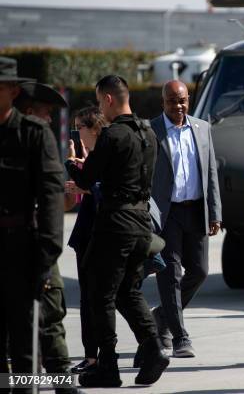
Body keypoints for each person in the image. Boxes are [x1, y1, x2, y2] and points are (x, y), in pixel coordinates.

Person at [65, 75, 169, 387]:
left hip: (115, 224)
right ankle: (153, 349)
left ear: (109, 99)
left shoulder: (113, 135)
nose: (100, 107)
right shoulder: (148, 133)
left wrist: (73, 164)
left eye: (99, 102)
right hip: (140, 223)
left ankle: (107, 367)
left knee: (99, 294)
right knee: (127, 291)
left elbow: (87, 179)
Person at [0, 57, 64, 391]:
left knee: (25, 348)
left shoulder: (34, 135)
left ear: (12, 91)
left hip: (21, 251)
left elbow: (52, 199)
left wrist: (45, 255)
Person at [13, 81, 81, 393]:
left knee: (51, 317)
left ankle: (63, 385)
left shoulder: (40, 143)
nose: (51, 120)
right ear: (29, 111)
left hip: (38, 241)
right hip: (16, 241)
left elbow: (59, 202)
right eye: (46, 112)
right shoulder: (22, 141)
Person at [150, 80, 222, 357]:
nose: (177, 106)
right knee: (170, 274)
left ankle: (163, 315)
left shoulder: (202, 128)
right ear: (163, 102)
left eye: (182, 101)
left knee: (200, 271)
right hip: (166, 214)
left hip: (195, 211)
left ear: (188, 100)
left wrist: (215, 212)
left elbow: (211, 172)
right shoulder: (151, 130)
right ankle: (179, 336)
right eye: (171, 101)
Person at [63, 106, 108, 374]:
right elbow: (74, 198)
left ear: (93, 129)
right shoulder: (89, 157)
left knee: (106, 298)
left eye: (80, 127)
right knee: (88, 299)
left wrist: (77, 171)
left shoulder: (106, 152)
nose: (76, 133)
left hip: (104, 234)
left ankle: (147, 342)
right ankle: (92, 356)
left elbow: (104, 188)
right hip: (86, 235)